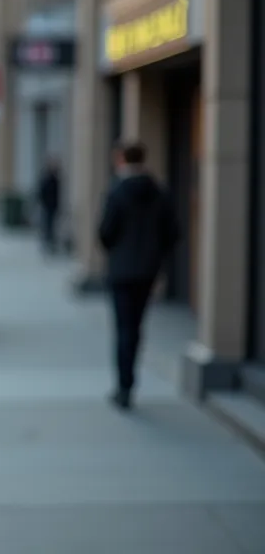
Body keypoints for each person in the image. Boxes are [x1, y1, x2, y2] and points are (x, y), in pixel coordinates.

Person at [97, 141, 178, 410]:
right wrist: (156, 256)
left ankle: (124, 386)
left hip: (121, 271)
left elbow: (105, 232)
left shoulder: (117, 192)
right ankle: (129, 381)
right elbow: (172, 232)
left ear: (121, 159)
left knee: (123, 327)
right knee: (136, 326)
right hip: (147, 270)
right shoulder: (159, 192)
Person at [37, 157, 62, 254]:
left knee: (52, 226)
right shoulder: (46, 179)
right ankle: (47, 243)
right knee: (47, 225)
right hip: (47, 206)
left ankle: (50, 243)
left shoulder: (55, 179)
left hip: (53, 206)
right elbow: (42, 192)